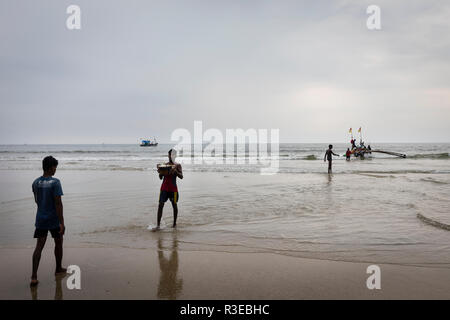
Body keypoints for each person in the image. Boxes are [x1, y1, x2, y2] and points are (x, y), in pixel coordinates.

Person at [30, 156, 66, 287]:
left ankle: (34, 276)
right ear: (51, 167)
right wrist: (61, 222)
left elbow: (37, 200)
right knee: (59, 242)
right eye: (55, 166)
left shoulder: (35, 182)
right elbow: (58, 203)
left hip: (40, 218)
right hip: (53, 219)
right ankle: (58, 268)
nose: (56, 169)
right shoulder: (55, 182)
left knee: (39, 246)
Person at [155, 149, 183, 230]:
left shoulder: (178, 165)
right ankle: (158, 225)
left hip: (173, 189)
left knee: (174, 205)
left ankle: (174, 224)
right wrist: (160, 173)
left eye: (172, 155)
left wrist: (176, 172)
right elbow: (161, 178)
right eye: (169, 155)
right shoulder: (164, 165)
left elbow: (181, 176)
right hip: (164, 188)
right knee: (160, 205)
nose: (170, 156)